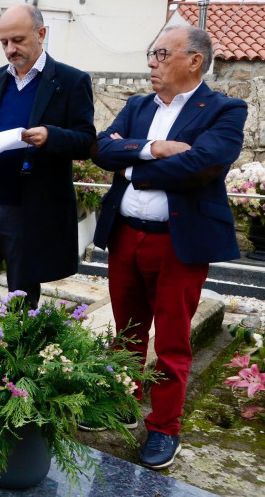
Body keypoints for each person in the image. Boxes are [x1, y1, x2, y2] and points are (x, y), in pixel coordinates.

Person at [89, 25, 246, 470]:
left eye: (160, 53)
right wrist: (157, 148)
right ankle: (122, 400)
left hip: (178, 244)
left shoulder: (225, 109)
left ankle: (164, 428)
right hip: (126, 235)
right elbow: (101, 150)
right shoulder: (138, 106)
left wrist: (134, 167)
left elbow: (203, 165)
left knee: (173, 341)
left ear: (194, 60)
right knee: (127, 333)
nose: (151, 63)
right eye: (151, 54)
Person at [0, 4, 95, 307]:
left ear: (41, 34)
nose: (10, 49)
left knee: (20, 299)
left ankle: (11, 354)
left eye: (18, 40)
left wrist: (50, 136)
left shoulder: (70, 81)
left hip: (30, 209)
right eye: (4, 42)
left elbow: (86, 141)